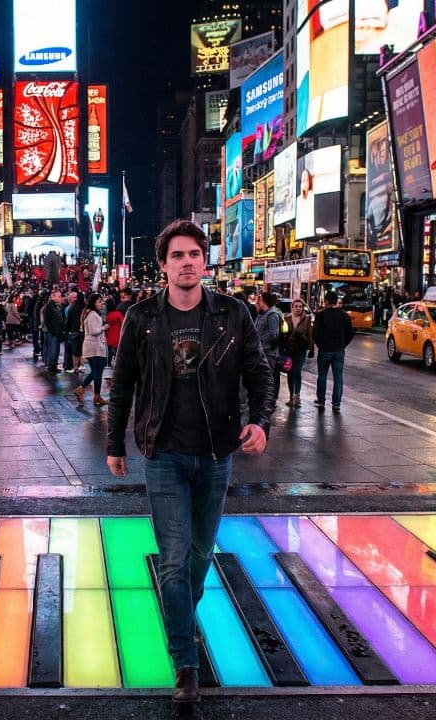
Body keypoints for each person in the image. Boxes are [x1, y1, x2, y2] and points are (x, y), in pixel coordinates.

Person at [105, 220, 272, 704]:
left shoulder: (232, 314)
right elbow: (123, 386)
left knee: (201, 554)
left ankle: (181, 612)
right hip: (164, 457)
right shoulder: (141, 318)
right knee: (174, 562)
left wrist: (260, 422)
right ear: (163, 265)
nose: (186, 263)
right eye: (177, 256)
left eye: (194, 255)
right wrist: (116, 444)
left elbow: (259, 374)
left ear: (205, 261)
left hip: (217, 455)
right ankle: (185, 661)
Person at [312, 290, 355, 413]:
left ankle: (321, 400)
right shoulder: (344, 315)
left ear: (325, 301)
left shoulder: (321, 315)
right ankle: (336, 403)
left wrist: (321, 345)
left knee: (322, 376)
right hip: (338, 350)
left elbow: (315, 334)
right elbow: (350, 333)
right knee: (338, 377)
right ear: (337, 302)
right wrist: (343, 345)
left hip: (325, 350)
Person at [74, 293, 109, 406]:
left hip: (92, 346)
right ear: (93, 302)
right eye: (99, 301)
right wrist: (104, 327)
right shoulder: (93, 314)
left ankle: (93, 395)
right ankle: (88, 392)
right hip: (95, 347)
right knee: (97, 372)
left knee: (96, 372)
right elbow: (94, 331)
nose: (101, 303)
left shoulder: (89, 313)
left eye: (102, 301)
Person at [254, 292, 286, 410]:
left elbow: (274, 335)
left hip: (268, 352)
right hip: (261, 351)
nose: (258, 302)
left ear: (264, 301)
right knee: (261, 378)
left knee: (268, 378)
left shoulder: (272, 315)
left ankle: (269, 402)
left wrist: (258, 340)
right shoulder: (262, 314)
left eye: (260, 300)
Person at [282, 300, 313, 407]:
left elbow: (310, 334)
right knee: (290, 372)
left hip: (301, 350)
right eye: (296, 306)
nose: (298, 308)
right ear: (292, 307)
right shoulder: (287, 318)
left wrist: (311, 348)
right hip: (289, 350)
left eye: (300, 306)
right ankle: (291, 396)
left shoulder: (307, 319)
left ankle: (297, 396)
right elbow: (283, 333)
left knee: (297, 371)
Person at [42, 290, 66, 373]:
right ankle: (52, 366)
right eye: (59, 296)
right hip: (53, 332)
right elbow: (47, 321)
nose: (60, 298)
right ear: (53, 297)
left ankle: (53, 366)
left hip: (56, 332)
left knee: (55, 349)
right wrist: (53, 331)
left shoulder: (54, 306)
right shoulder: (49, 306)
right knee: (53, 349)